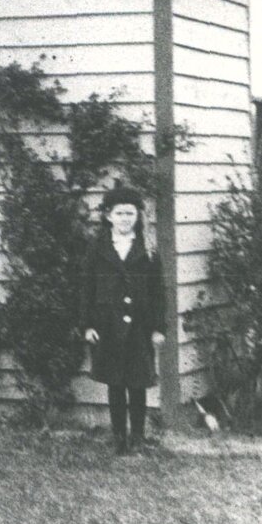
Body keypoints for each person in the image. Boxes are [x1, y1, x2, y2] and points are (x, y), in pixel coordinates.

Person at [81, 184, 166, 456]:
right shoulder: (97, 249)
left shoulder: (148, 249)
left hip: (140, 327)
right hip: (107, 326)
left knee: (137, 382)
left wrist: (158, 328)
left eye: (130, 213)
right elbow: (86, 288)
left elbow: (158, 292)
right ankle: (119, 437)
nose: (125, 219)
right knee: (115, 382)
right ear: (108, 216)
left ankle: (138, 436)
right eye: (119, 213)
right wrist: (87, 325)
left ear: (138, 216)